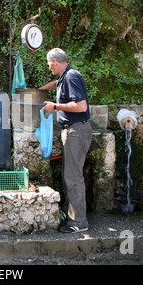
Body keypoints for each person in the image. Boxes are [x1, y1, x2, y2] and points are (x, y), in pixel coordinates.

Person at [39, 48, 92, 233]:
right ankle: (71, 215)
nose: (49, 67)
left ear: (54, 61)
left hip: (76, 131)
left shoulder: (71, 76)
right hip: (72, 131)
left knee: (73, 176)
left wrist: (55, 106)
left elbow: (81, 105)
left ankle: (79, 222)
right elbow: (56, 83)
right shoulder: (64, 78)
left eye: (49, 64)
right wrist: (40, 90)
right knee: (68, 174)